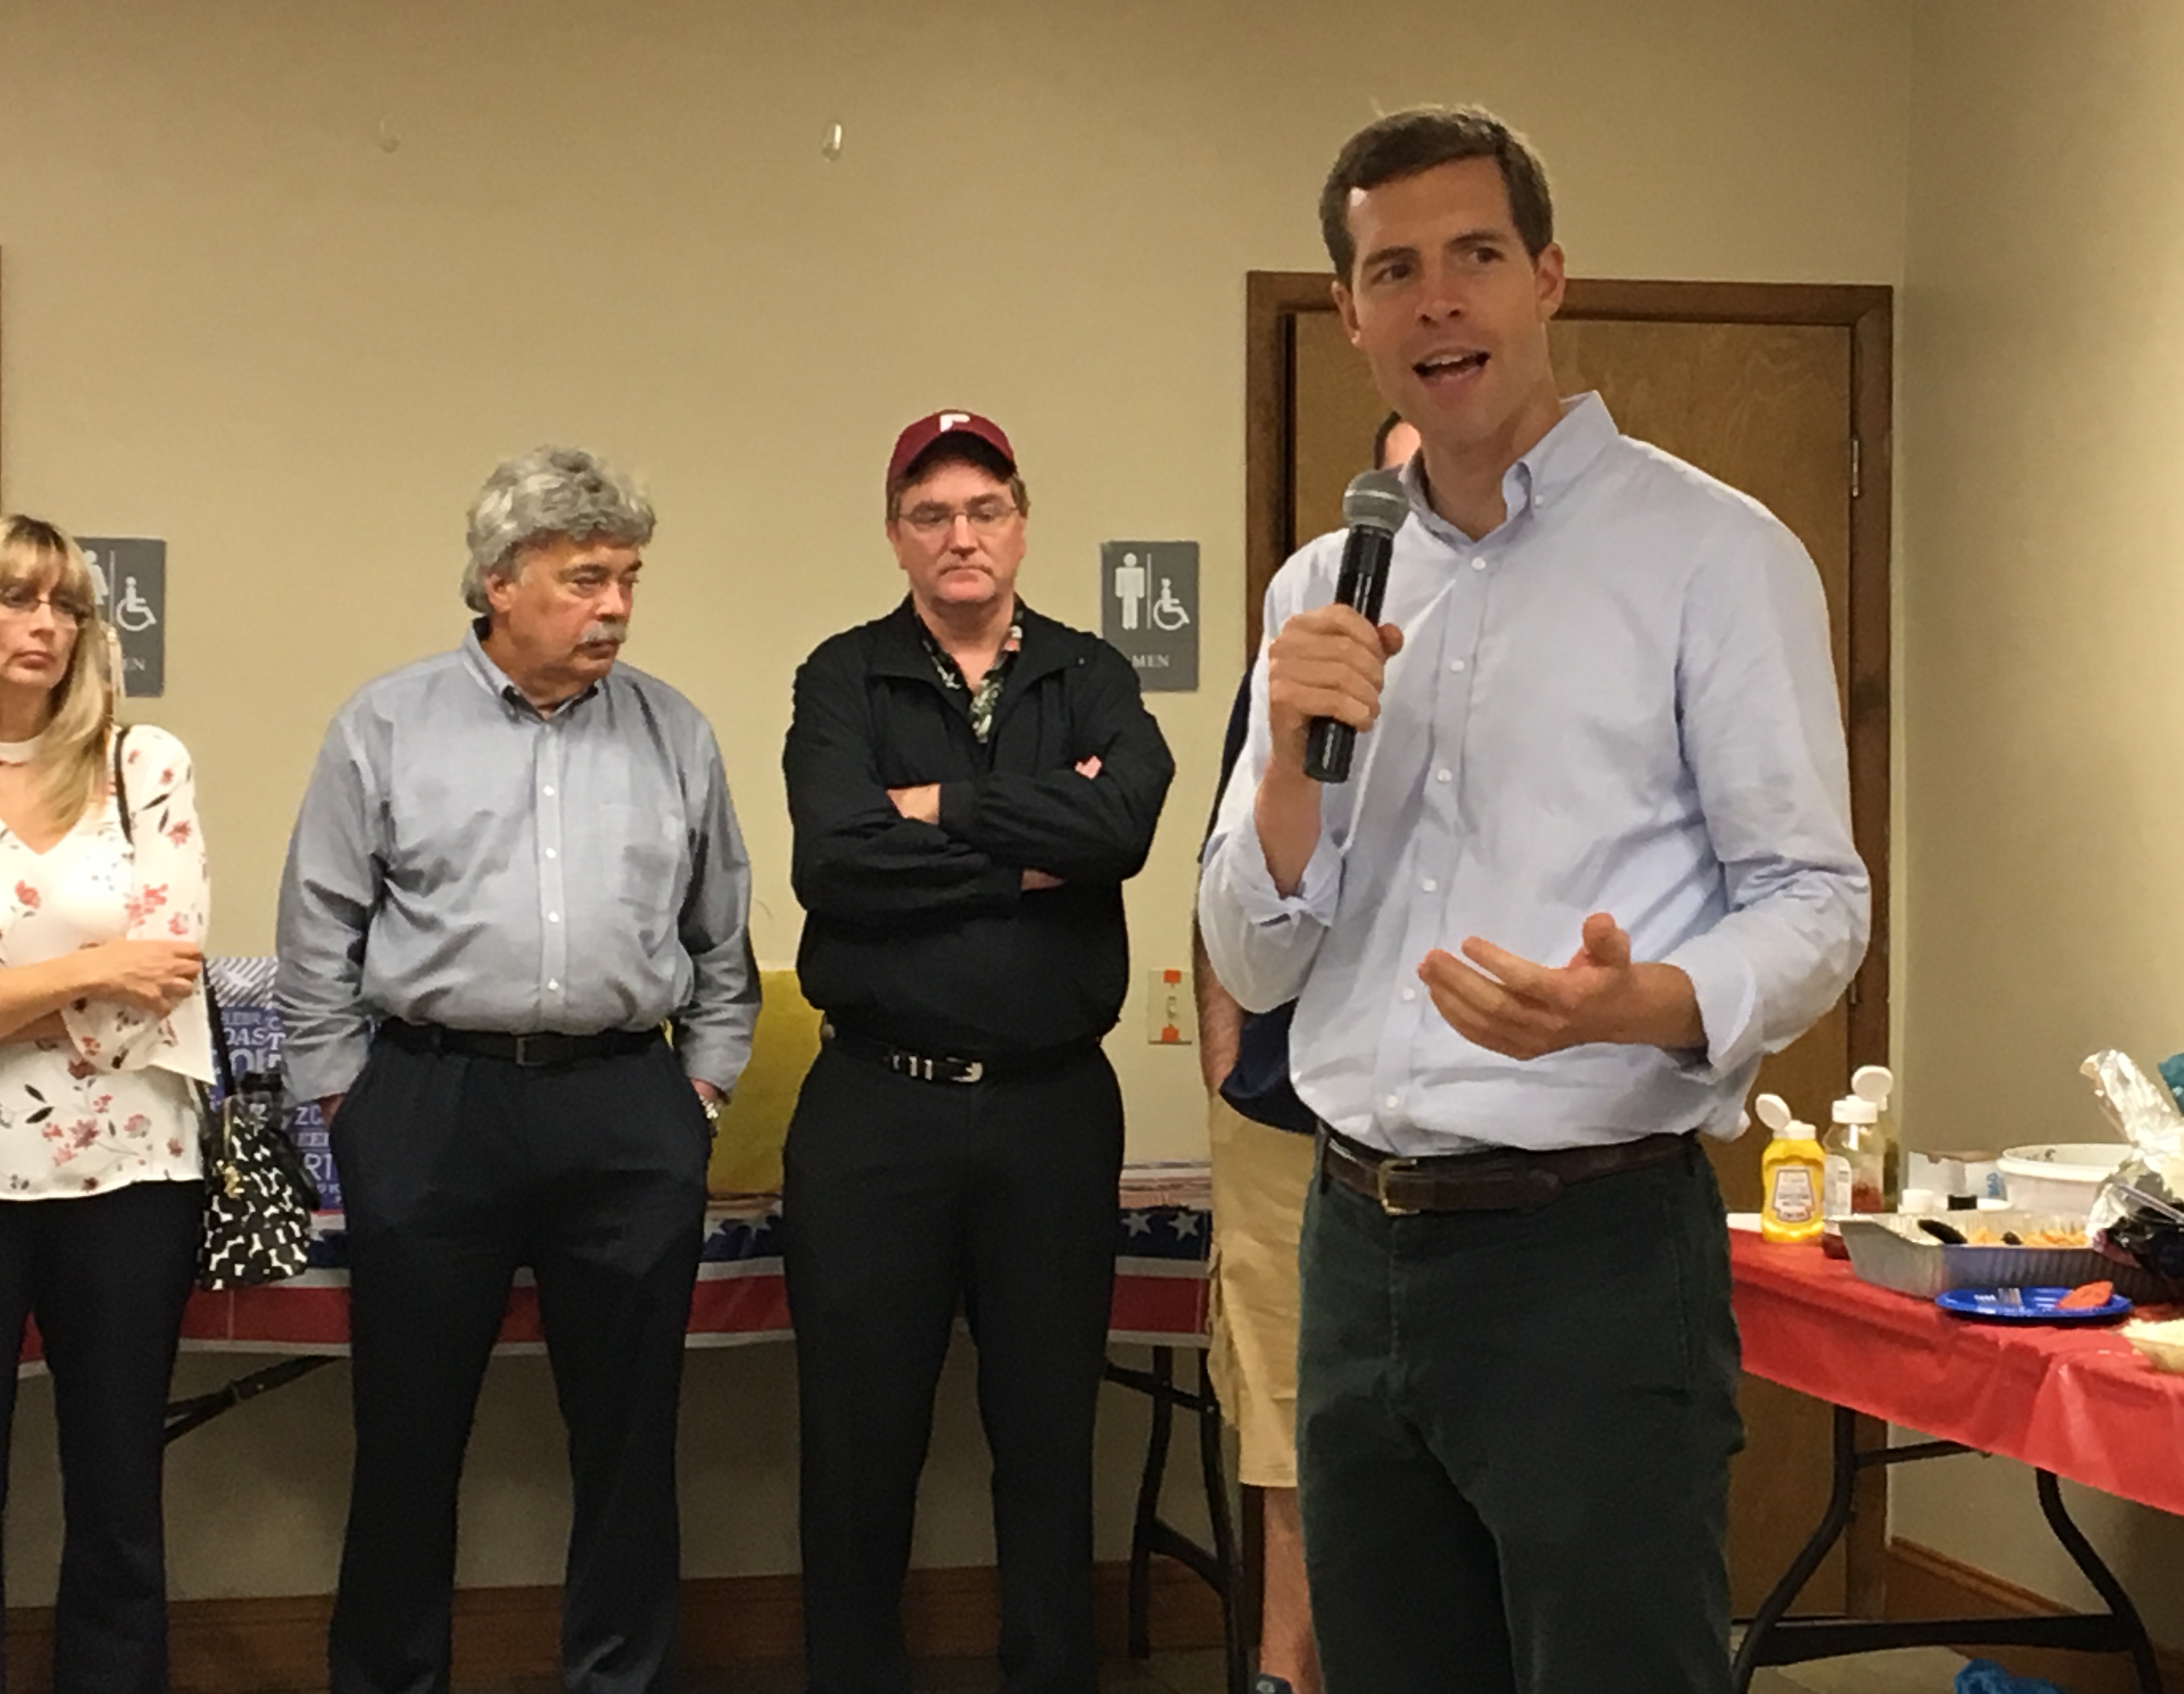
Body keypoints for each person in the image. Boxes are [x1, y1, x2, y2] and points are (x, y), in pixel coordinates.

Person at [1197, 108, 1870, 1693]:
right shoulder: (1323, 587)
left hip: (1588, 1254)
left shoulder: (1715, 555)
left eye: (1476, 257)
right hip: (1359, 1251)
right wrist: (1291, 775)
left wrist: (1647, 1004)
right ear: (1353, 315)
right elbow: (1253, 952)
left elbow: (1815, 898)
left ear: (1549, 278)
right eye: (1394, 270)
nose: (1439, 302)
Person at [277, 447, 758, 1694]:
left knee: (629, 1439)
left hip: (624, 1107)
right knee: (408, 1438)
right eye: (584, 578)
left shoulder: (674, 731)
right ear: (498, 582)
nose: (615, 608)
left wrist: (698, 1088)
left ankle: (624, 1679)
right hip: (432, 1104)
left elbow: (722, 931)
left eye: (628, 580)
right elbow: (317, 931)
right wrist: (353, 1102)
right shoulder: (386, 725)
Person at [782, 409, 1174, 1694]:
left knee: (1051, 1434)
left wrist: (942, 811)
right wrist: (1029, 856)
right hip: (873, 1113)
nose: (962, 537)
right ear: (898, 535)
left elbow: (1123, 826)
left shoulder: (1090, 671)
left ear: (1021, 520)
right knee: (857, 1441)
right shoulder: (844, 677)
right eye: (933, 515)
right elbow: (835, 860)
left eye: (985, 510)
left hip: (1052, 1110)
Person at [1190, 410, 1416, 1694]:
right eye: (1393, 478)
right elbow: (1230, 879)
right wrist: (1231, 1067)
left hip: (1468, 1131)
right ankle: (1289, 1677)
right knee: (1290, 1431)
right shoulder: (1305, 635)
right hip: (1291, 1116)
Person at [0, 515, 210, 1694]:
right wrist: (86, 967)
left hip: (130, 1172)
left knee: (120, 1477)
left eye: (66, 605)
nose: (46, 627)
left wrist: (17, 993)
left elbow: (166, 979)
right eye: (17, 600)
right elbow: (118, 979)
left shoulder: (144, 766)